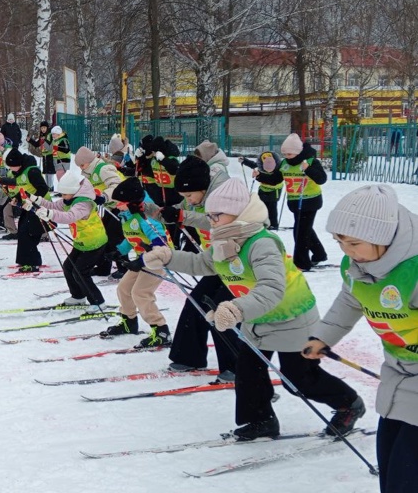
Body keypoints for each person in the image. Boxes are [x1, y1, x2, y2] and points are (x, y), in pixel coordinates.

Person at [140, 178, 363, 440]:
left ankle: (349, 404)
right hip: (258, 317)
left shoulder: (262, 243)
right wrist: (168, 257)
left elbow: (271, 288)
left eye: (217, 215)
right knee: (248, 372)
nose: (211, 220)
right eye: (210, 215)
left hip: (291, 317)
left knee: (299, 378)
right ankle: (261, 420)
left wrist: (235, 309)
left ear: (240, 213)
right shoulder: (226, 238)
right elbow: (205, 263)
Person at [303, 185, 416, 492]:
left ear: (385, 238)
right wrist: (323, 336)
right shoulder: (360, 269)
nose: (347, 251)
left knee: (407, 472)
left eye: (354, 242)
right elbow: (350, 301)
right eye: (340, 242)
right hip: (398, 373)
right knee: (391, 461)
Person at [161, 155, 239, 382]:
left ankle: (237, 366)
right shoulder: (198, 193)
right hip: (218, 260)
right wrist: (154, 210)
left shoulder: (224, 195)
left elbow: (216, 221)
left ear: (202, 187)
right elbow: (181, 209)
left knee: (222, 309)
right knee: (196, 303)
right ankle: (189, 356)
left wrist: (184, 216)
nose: (188, 200)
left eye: (189, 195)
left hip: (240, 263)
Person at [102, 177, 172, 349]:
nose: (116, 206)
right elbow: (133, 238)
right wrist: (119, 251)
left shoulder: (146, 216)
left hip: (158, 259)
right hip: (144, 258)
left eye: (120, 203)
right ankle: (129, 322)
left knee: (141, 293)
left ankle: (161, 330)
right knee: (124, 289)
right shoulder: (128, 214)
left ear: (131, 201)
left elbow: (159, 243)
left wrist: (140, 262)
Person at [29, 172, 108, 313]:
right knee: (68, 267)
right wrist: (38, 201)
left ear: (74, 192)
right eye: (62, 194)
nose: (63, 197)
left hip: (94, 242)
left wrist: (50, 215)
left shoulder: (83, 204)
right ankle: (78, 296)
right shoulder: (68, 200)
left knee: (80, 272)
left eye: (65, 194)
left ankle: (98, 301)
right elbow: (53, 206)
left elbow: (69, 217)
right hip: (82, 242)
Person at [75, 145, 126, 277]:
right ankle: (103, 268)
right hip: (110, 207)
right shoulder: (88, 173)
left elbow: (117, 185)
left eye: (82, 165)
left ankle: (124, 267)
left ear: (88, 161)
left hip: (123, 205)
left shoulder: (103, 168)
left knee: (115, 238)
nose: (81, 168)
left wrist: (103, 196)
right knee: (103, 237)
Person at [279, 133, 327, 271]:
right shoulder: (284, 164)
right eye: (285, 154)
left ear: (298, 153)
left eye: (290, 154)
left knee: (300, 232)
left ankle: (301, 263)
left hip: (310, 201)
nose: (287, 157)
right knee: (305, 230)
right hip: (295, 203)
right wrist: (259, 175)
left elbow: (321, 179)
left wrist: (308, 169)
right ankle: (319, 254)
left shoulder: (311, 162)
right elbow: (275, 179)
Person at [1, 148, 50, 273]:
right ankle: (25, 259)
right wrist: (17, 200)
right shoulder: (20, 172)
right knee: (23, 231)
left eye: (12, 166)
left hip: (41, 206)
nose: (11, 169)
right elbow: (23, 189)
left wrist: (34, 200)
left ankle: (32, 262)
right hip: (29, 206)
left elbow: (43, 188)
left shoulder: (32, 171)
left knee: (30, 233)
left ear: (18, 163)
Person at [239, 151, 284, 230]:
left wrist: (259, 176)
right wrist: (245, 161)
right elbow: (253, 165)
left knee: (272, 208)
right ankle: (262, 222)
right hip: (263, 190)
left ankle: (273, 224)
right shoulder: (261, 167)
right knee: (261, 207)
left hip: (274, 191)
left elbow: (272, 180)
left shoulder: (278, 171)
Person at [27, 121, 55, 188]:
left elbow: (50, 145)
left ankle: (50, 186)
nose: (43, 129)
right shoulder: (42, 135)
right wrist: (30, 140)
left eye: (44, 128)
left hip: (50, 155)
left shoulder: (50, 135)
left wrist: (44, 141)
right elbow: (37, 144)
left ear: (47, 128)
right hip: (44, 156)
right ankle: (48, 186)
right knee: (46, 172)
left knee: (50, 172)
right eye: (42, 128)